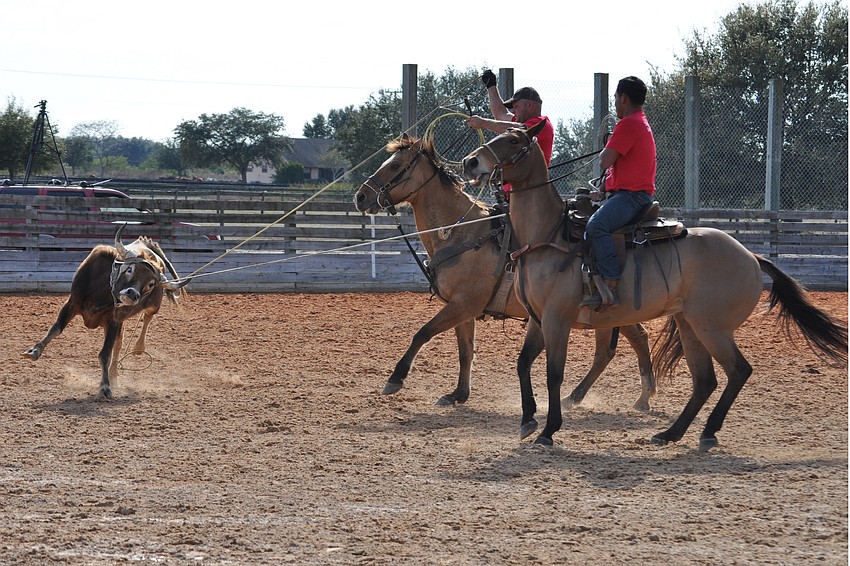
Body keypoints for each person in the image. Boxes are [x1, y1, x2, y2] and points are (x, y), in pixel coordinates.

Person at [580, 76, 657, 311]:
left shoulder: (628, 124)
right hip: (632, 195)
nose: (614, 102)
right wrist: (603, 190)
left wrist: (610, 143)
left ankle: (610, 283)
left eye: (615, 97)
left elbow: (604, 161)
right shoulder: (640, 122)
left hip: (631, 197)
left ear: (623, 98)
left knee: (596, 226)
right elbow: (623, 167)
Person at [467, 70, 554, 168]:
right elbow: (501, 114)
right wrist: (491, 85)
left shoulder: (542, 124)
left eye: (516, 107)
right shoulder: (521, 121)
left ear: (529, 105)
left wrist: (483, 123)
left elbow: (517, 131)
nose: (513, 111)